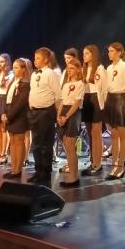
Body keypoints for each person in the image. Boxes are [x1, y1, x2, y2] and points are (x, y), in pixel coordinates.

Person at [27, 47, 62, 186]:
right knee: (36, 144)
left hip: (46, 112)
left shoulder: (51, 74)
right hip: (34, 112)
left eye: (38, 58)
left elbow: (58, 95)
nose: (35, 61)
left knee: (45, 144)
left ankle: (46, 173)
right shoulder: (34, 74)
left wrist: (58, 114)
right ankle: (38, 171)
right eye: (34, 58)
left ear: (46, 60)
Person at [103, 42, 125, 180]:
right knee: (113, 134)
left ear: (119, 52)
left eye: (112, 51)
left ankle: (121, 166)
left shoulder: (124, 67)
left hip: (121, 99)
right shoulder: (109, 68)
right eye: (109, 51)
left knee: (122, 134)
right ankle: (114, 164)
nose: (109, 53)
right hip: (111, 99)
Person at [1, 58, 31, 179]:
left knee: (19, 141)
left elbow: (20, 103)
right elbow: (7, 99)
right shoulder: (13, 82)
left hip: (19, 115)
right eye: (13, 67)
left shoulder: (25, 84)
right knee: (12, 142)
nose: (14, 70)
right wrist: (4, 113)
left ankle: (18, 170)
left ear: (23, 69)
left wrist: (9, 116)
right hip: (9, 113)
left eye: (16, 67)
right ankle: (13, 168)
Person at [57, 57, 85, 187]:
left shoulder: (80, 84)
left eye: (72, 68)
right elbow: (62, 102)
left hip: (73, 114)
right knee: (66, 145)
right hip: (64, 113)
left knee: (70, 145)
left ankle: (73, 177)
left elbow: (77, 103)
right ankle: (71, 175)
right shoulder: (66, 84)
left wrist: (66, 117)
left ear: (78, 70)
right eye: (68, 68)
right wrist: (58, 116)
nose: (69, 70)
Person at [81, 44, 107, 176]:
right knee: (90, 134)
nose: (84, 56)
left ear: (93, 54)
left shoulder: (100, 69)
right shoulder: (84, 69)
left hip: (96, 100)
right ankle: (92, 161)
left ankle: (98, 163)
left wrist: (103, 107)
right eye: (83, 54)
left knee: (96, 134)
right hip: (86, 100)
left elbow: (104, 90)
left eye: (87, 53)